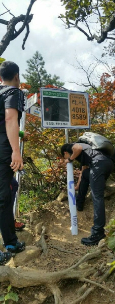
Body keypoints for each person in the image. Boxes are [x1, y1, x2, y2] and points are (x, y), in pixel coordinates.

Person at [61, 142, 114, 246]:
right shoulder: (85, 154)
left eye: (64, 156)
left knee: (97, 197)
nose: (65, 159)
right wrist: (77, 186)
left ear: (65, 152)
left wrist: (70, 159)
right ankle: (80, 203)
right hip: (107, 163)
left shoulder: (71, 146)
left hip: (98, 164)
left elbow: (78, 147)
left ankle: (97, 233)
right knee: (86, 175)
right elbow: (84, 172)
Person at [0, 61, 25, 260]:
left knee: (9, 190)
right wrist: (16, 151)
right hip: (3, 154)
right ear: (16, 76)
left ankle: (10, 239)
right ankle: (9, 244)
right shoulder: (13, 92)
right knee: (3, 198)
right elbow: (10, 119)